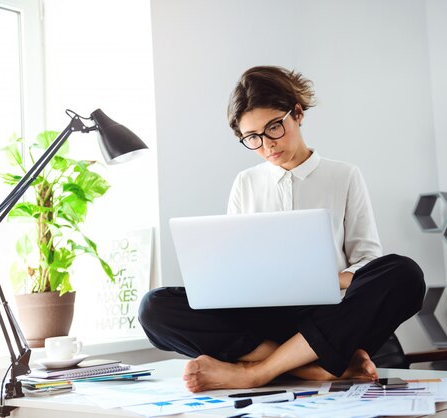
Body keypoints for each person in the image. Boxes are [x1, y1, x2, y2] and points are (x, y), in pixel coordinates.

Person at [139, 66, 425, 393]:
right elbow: (235, 263)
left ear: (297, 114)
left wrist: (323, 280)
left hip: (328, 317)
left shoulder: (343, 175)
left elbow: (368, 262)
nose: (267, 145)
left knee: (405, 273)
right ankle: (314, 369)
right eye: (253, 138)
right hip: (265, 319)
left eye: (274, 127)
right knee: (154, 307)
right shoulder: (245, 183)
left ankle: (256, 372)